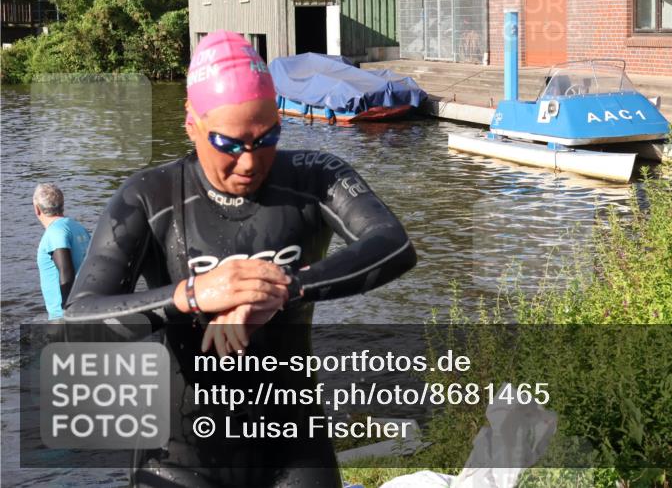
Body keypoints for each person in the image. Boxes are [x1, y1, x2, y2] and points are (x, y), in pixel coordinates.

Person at [64, 31, 418, 488]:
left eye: (267, 136)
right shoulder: (147, 197)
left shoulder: (315, 176)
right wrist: (193, 294)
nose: (250, 162)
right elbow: (77, 321)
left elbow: (392, 244)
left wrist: (283, 288)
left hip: (292, 440)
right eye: (229, 144)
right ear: (191, 124)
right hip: (177, 450)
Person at [33, 183, 91, 319]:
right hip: (86, 306)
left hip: (64, 316)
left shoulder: (55, 233)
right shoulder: (78, 227)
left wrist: (68, 311)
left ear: (37, 209)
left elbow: (66, 271)